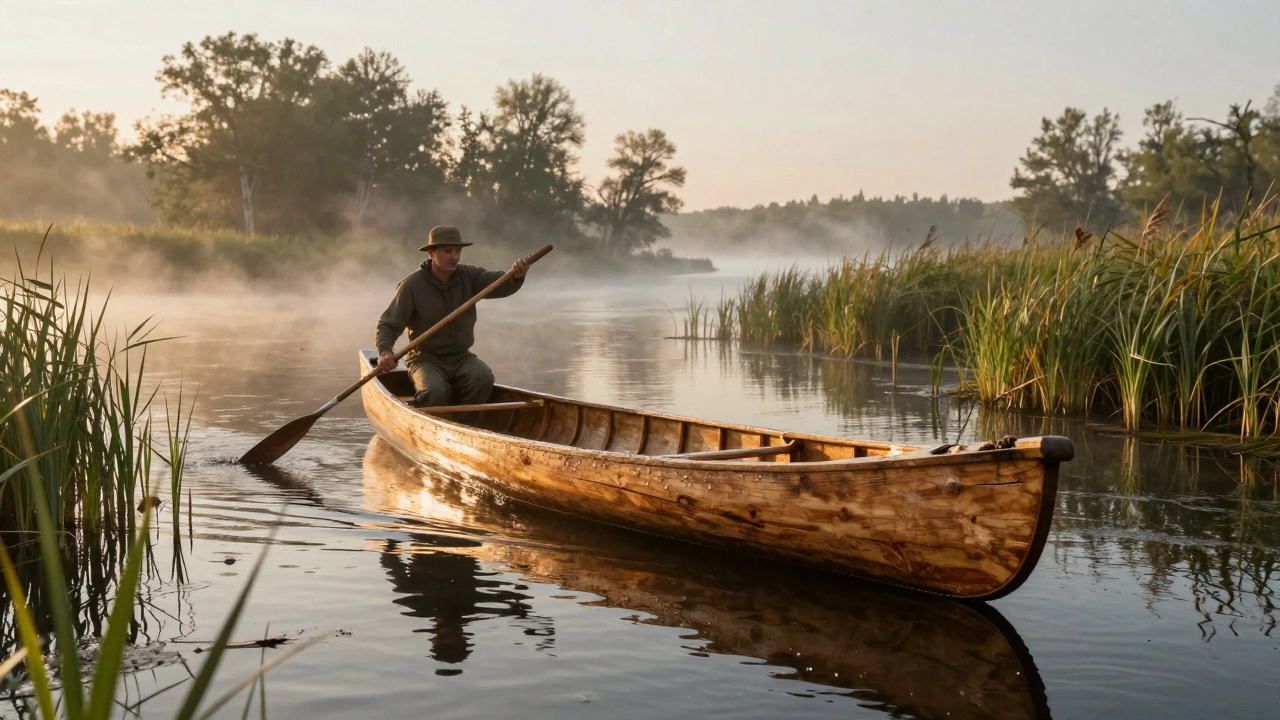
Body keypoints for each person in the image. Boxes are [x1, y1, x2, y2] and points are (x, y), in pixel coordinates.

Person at [374, 225, 530, 412]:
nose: (454, 257)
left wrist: (516, 276)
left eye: (457, 251)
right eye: (447, 251)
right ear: (431, 253)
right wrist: (384, 351)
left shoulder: (469, 276)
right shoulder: (411, 285)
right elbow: (388, 325)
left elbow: (500, 283)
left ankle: (463, 422)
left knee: (483, 378)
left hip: (461, 357)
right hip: (425, 359)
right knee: (434, 391)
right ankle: (429, 421)